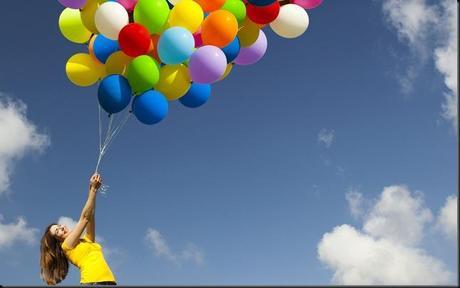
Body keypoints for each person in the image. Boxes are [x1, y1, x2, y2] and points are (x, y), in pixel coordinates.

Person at [40, 173, 116, 285]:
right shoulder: (67, 246)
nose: (62, 228)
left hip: (109, 282)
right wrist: (93, 189)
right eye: (58, 231)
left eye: (60, 226)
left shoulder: (88, 240)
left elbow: (90, 215)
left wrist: (91, 188)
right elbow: (84, 218)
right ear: (58, 240)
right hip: (92, 282)